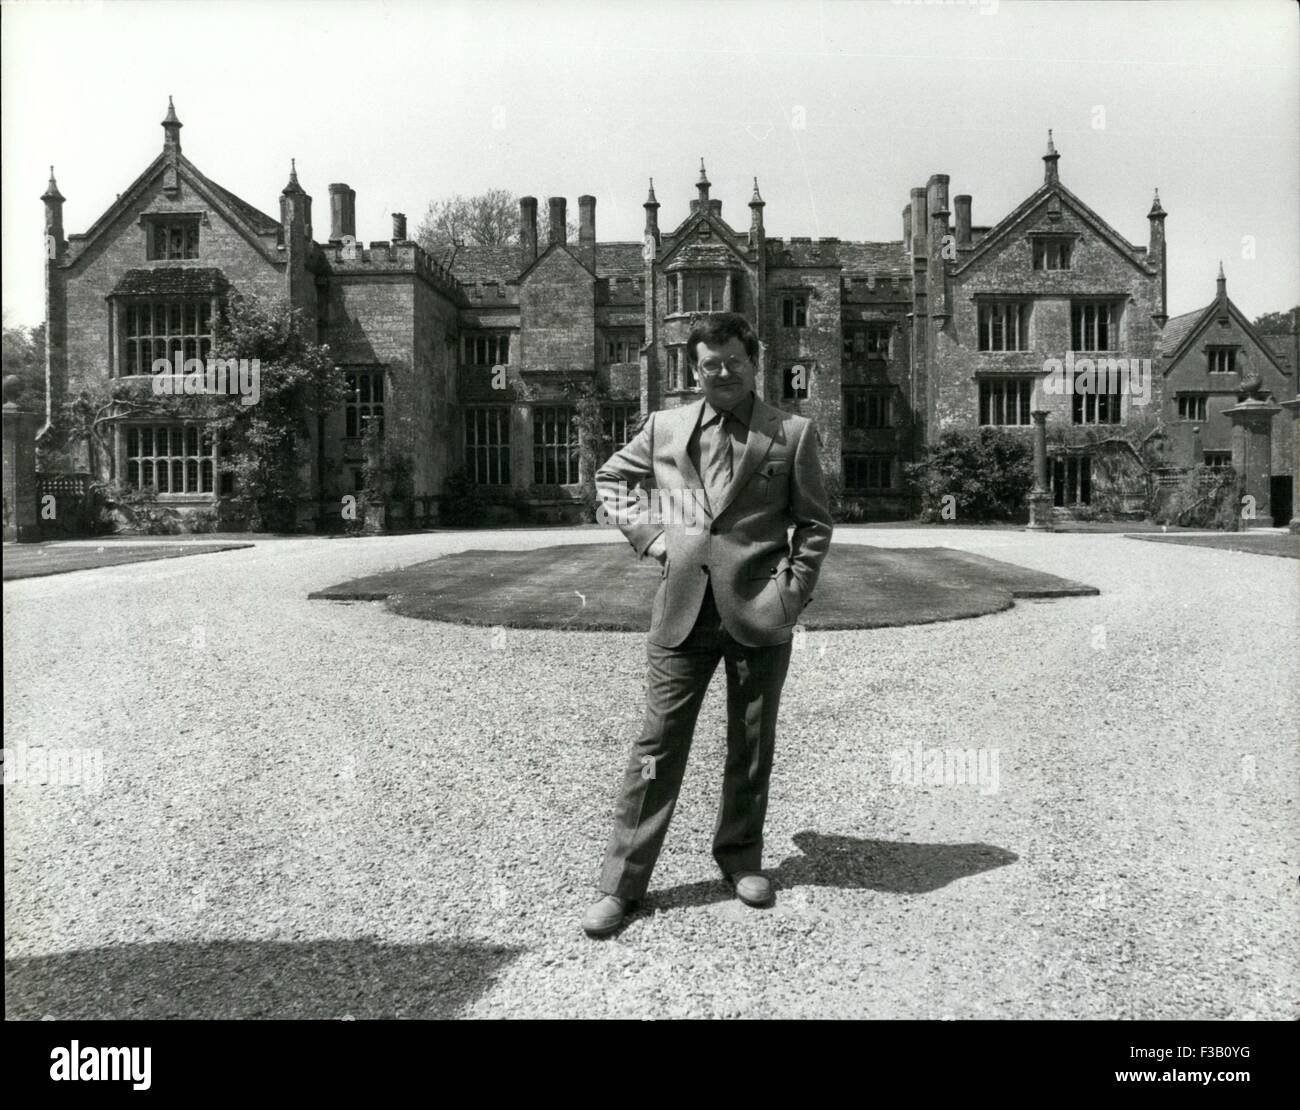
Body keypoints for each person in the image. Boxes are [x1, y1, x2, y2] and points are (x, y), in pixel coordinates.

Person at [583, 311, 833, 936]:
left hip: (758, 611)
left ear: (755, 363)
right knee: (656, 746)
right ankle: (622, 883)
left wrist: (790, 595)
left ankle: (741, 860)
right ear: (695, 368)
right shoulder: (666, 426)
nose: (722, 373)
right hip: (682, 609)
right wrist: (651, 537)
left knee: (750, 745)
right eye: (709, 365)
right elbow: (610, 479)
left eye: (734, 363)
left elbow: (815, 525)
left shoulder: (792, 433)